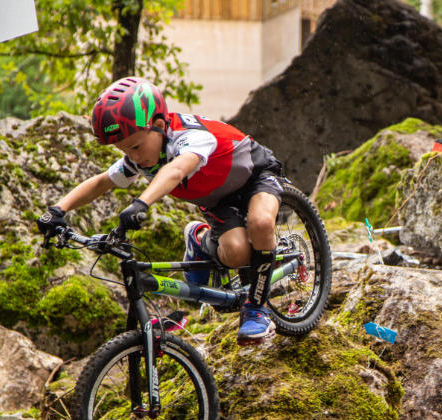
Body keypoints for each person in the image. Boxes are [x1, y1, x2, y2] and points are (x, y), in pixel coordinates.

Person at [36, 76, 284, 345]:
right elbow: (101, 182)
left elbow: (176, 170)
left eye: (135, 147)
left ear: (158, 125)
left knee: (260, 222)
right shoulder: (142, 158)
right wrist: (58, 209)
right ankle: (199, 239)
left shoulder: (190, 137)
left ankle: (257, 309)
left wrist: (141, 204)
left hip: (256, 175)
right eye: (124, 151)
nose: (133, 157)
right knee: (237, 254)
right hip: (218, 200)